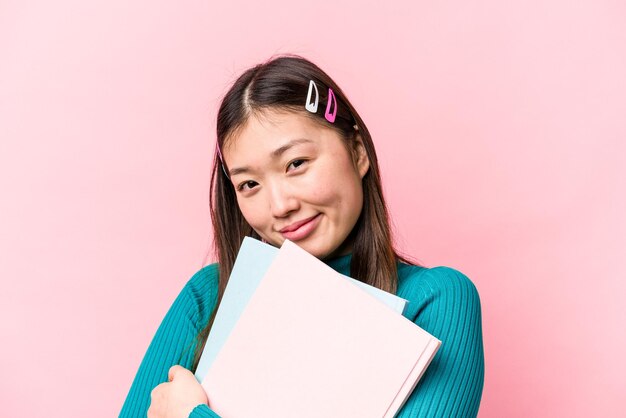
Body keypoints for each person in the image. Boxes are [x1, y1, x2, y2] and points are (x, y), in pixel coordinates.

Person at [120, 55, 484, 418]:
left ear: (357, 153)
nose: (279, 206)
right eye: (249, 184)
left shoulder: (435, 301)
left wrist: (192, 414)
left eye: (296, 164)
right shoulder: (209, 295)